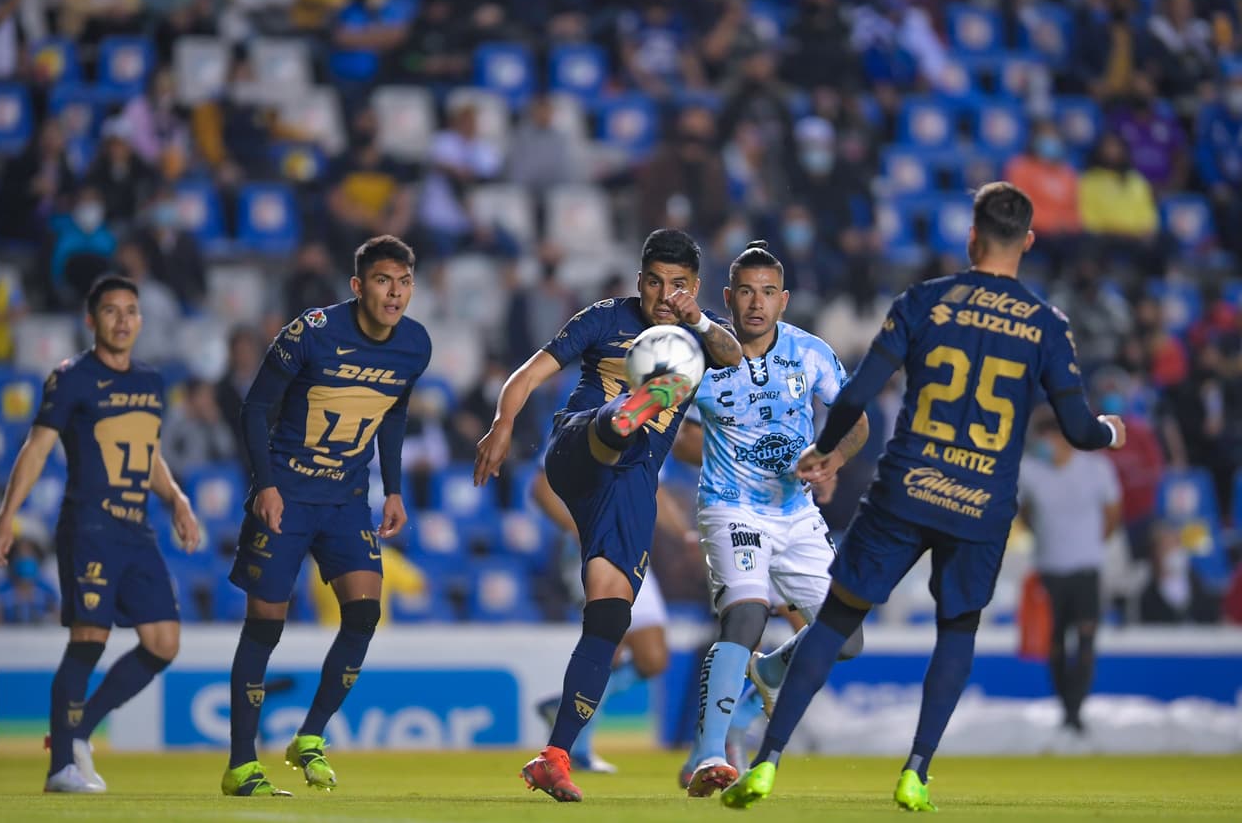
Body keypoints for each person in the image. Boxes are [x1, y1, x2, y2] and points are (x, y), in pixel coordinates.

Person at [720, 182, 1127, 812]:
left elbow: (855, 396)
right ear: (1029, 240)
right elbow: (1077, 429)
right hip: (981, 504)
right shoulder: (1047, 326)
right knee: (956, 628)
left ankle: (769, 760)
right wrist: (1110, 431)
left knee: (836, 619)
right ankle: (916, 771)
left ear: (971, 237)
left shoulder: (926, 303)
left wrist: (827, 450)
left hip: (906, 489)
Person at [474, 228, 742, 802]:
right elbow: (527, 375)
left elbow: (733, 354)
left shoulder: (701, 333)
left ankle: (554, 755)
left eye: (677, 286)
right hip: (582, 444)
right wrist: (501, 426)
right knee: (623, 420)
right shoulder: (604, 318)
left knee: (610, 616)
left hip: (631, 484)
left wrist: (695, 320)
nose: (662, 296)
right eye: (653, 282)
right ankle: (636, 404)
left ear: (693, 288)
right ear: (638, 279)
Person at [221, 235, 430, 797]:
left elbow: (394, 412)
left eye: (404, 282)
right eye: (384, 281)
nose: (395, 293)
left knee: (364, 613)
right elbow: (256, 406)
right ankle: (242, 764)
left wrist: (393, 489)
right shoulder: (311, 332)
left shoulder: (415, 346)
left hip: (346, 499)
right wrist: (264, 484)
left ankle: (309, 736)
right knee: (266, 623)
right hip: (287, 494)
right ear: (358, 286)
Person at [0, 274, 201, 793]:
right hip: (90, 526)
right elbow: (37, 447)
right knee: (89, 640)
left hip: (138, 529)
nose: (123, 320)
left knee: (163, 642)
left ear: (141, 320)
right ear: (92, 320)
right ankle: (61, 765)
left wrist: (177, 498)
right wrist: (6, 515)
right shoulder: (72, 377)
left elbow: (146, 452)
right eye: (112, 311)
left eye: (131, 310)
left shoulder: (150, 382)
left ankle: (79, 730)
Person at [674, 242, 870, 797]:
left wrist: (832, 456)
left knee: (847, 638)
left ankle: (771, 670)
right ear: (728, 298)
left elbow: (855, 421)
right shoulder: (697, 354)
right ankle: (710, 754)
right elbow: (671, 426)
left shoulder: (810, 353)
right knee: (746, 615)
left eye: (767, 293)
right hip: (730, 505)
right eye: (745, 292)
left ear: (783, 301)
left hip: (795, 513)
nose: (756, 304)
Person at [530, 468, 681, 774]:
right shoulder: (585, 423)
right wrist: (578, 528)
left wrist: (686, 535)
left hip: (632, 551)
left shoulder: (652, 434)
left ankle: (564, 704)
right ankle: (578, 748)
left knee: (653, 658)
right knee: (608, 646)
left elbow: (658, 493)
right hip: (594, 551)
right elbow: (541, 487)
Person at [1019, 411, 1121, 739]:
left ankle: (1076, 709)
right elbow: (1023, 511)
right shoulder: (1031, 471)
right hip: (1050, 568)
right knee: (1055, 643)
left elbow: (1112, 512)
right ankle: (1067, 708)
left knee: (1087, 639)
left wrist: (1091, 543)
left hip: (1086, 568)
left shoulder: (1096, 468)